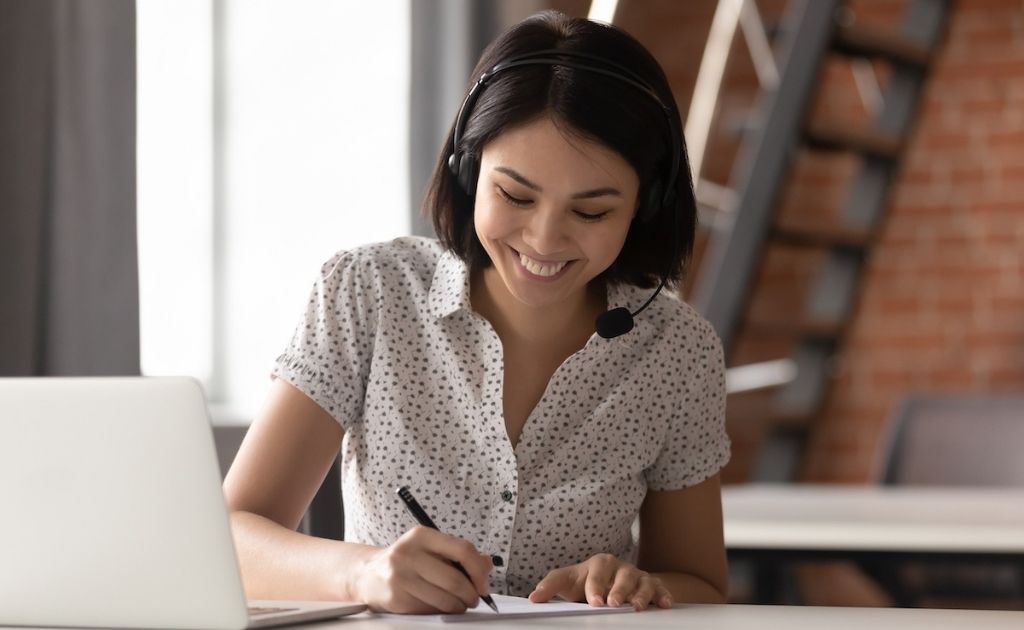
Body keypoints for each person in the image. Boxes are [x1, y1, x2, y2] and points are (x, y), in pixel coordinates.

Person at [223, 10, 730, 615]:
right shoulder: (368, 293)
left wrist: (638, 586)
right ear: (468, 172)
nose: (544, 239)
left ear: (646, 209)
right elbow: (230, 537)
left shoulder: (678, 351)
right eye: (514, 195)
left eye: (591, 212)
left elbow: (700, 585)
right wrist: (363, 574)